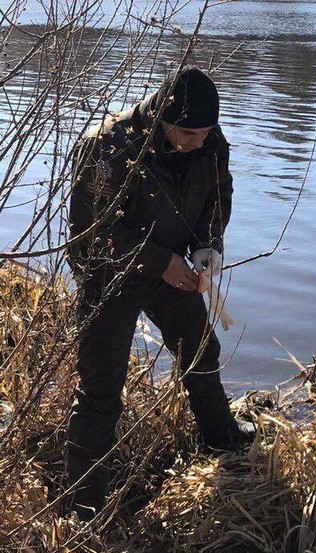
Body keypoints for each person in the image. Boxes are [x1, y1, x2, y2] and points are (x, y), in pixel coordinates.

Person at [65, 67, 254, 521]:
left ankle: (219, 437)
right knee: (100, 388)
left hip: (169, 266)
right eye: (188, 133)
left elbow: (217, 197)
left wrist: (208, 246)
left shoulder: (209, 142)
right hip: (108, 274)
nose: (196, 141)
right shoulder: (109, 146)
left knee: (200, 350)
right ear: (163, 118)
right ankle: (82, 507)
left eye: (205, 133)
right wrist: (162, 262)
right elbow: (92, 232)